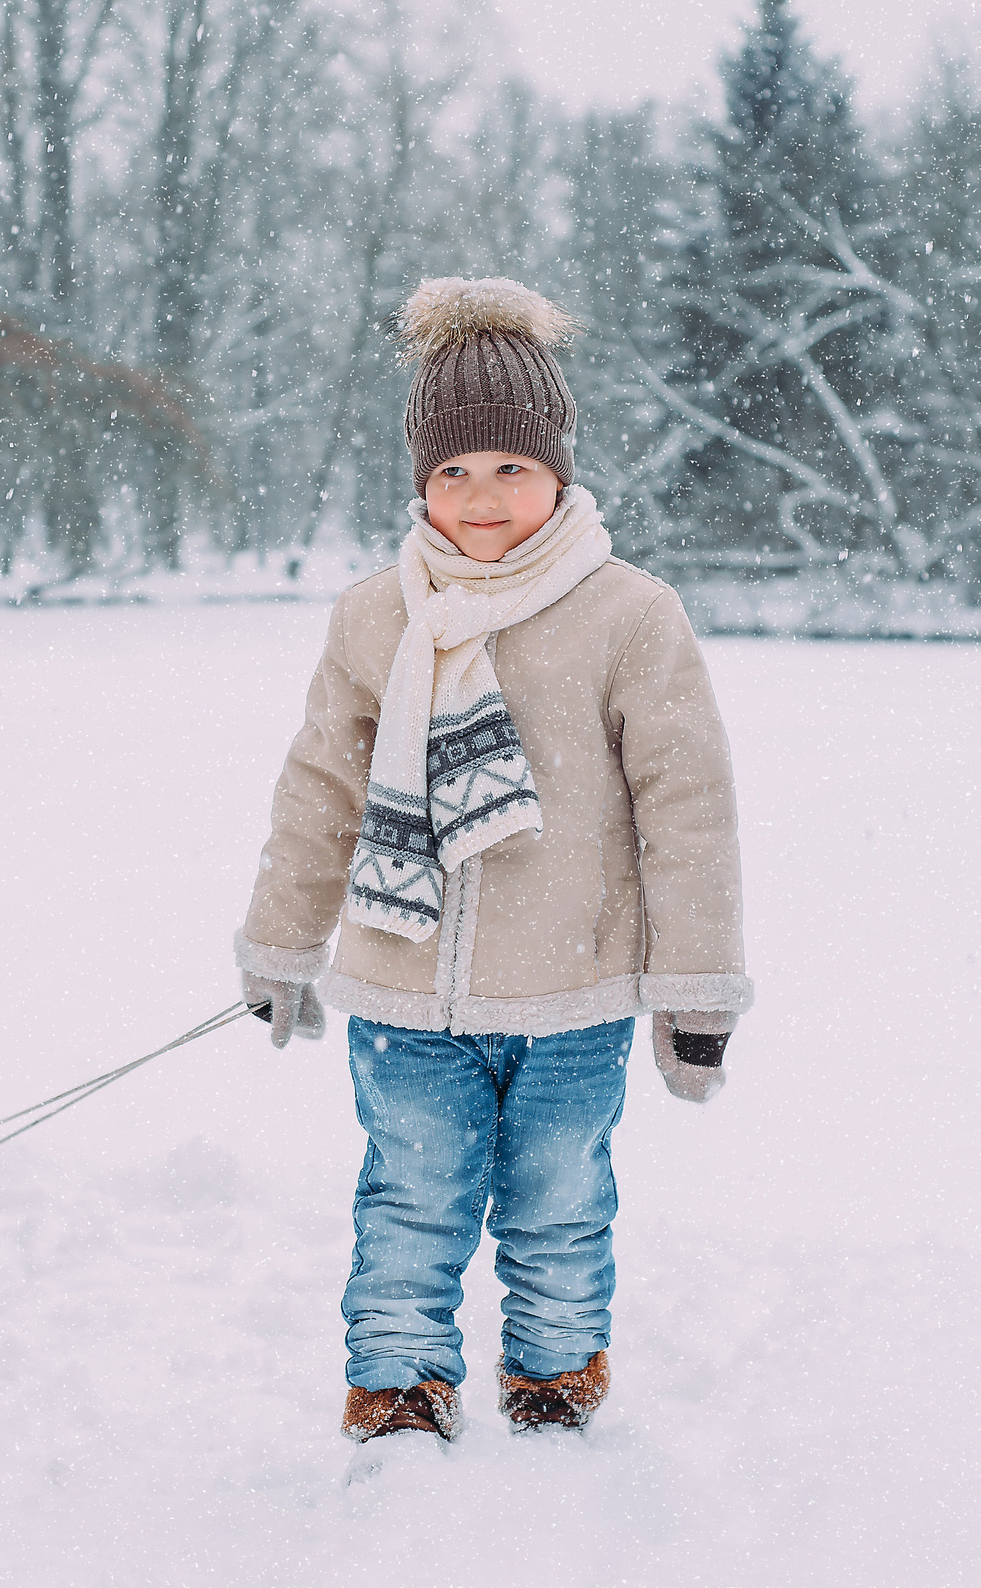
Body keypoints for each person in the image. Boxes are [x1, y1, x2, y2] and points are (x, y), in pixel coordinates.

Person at [235, 276, 752, 1445]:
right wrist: (281, 939)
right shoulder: (378, 615)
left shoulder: (628, 614)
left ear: (559, 471)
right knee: (409, 1195)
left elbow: (689, 811)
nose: (483, 497)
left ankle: (555, 1367)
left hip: (574, 991)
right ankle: (401, 1380)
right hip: (402, 985)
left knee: (561, 1198)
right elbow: (320, 790)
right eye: (454, 472)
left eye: (510, 469)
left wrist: (697, 984)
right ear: (420, 481)